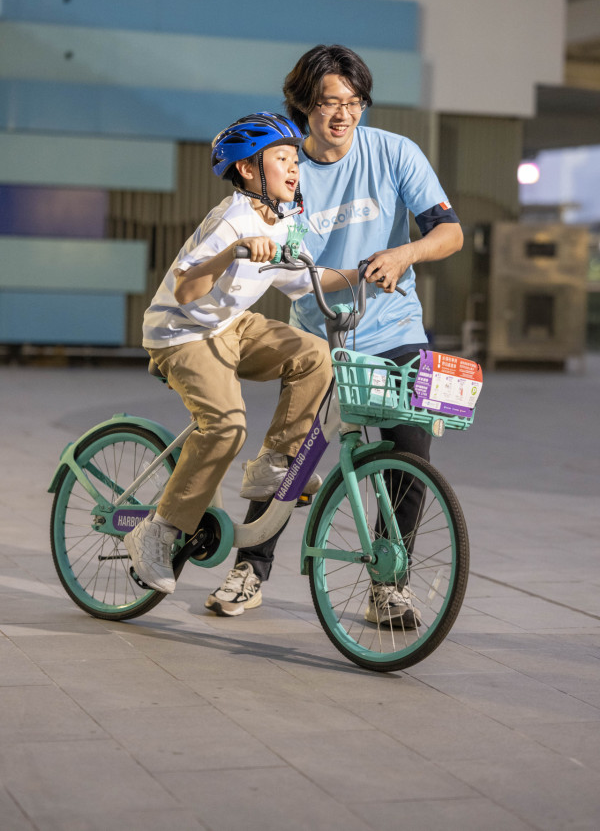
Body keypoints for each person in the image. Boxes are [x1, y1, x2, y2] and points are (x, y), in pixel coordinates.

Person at [219, 45, 464, 629]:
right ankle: (250, 567)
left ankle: (389, 586)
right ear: (303, 104)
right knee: (291, 451)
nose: (343, 115)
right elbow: (269, 250)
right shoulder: (286, 168)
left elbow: (449, 232)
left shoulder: (395, 152)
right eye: (330, 102)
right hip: (322, 334)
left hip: (397, 329)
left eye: (354, 103)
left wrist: (406, 253)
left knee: (410, 449)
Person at [125, 111, 363, 610]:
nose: (294, 167)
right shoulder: (234, 218)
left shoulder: (284, 215)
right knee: (226, 426)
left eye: (295, 158)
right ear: (250, 170)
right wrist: (233, 251)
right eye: (282, 158)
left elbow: (303, 280)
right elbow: (188, 289)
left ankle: (274, 464)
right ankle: (157, 532)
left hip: (230, 326)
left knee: (314, 353)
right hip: (181, 332)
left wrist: (364, 272)